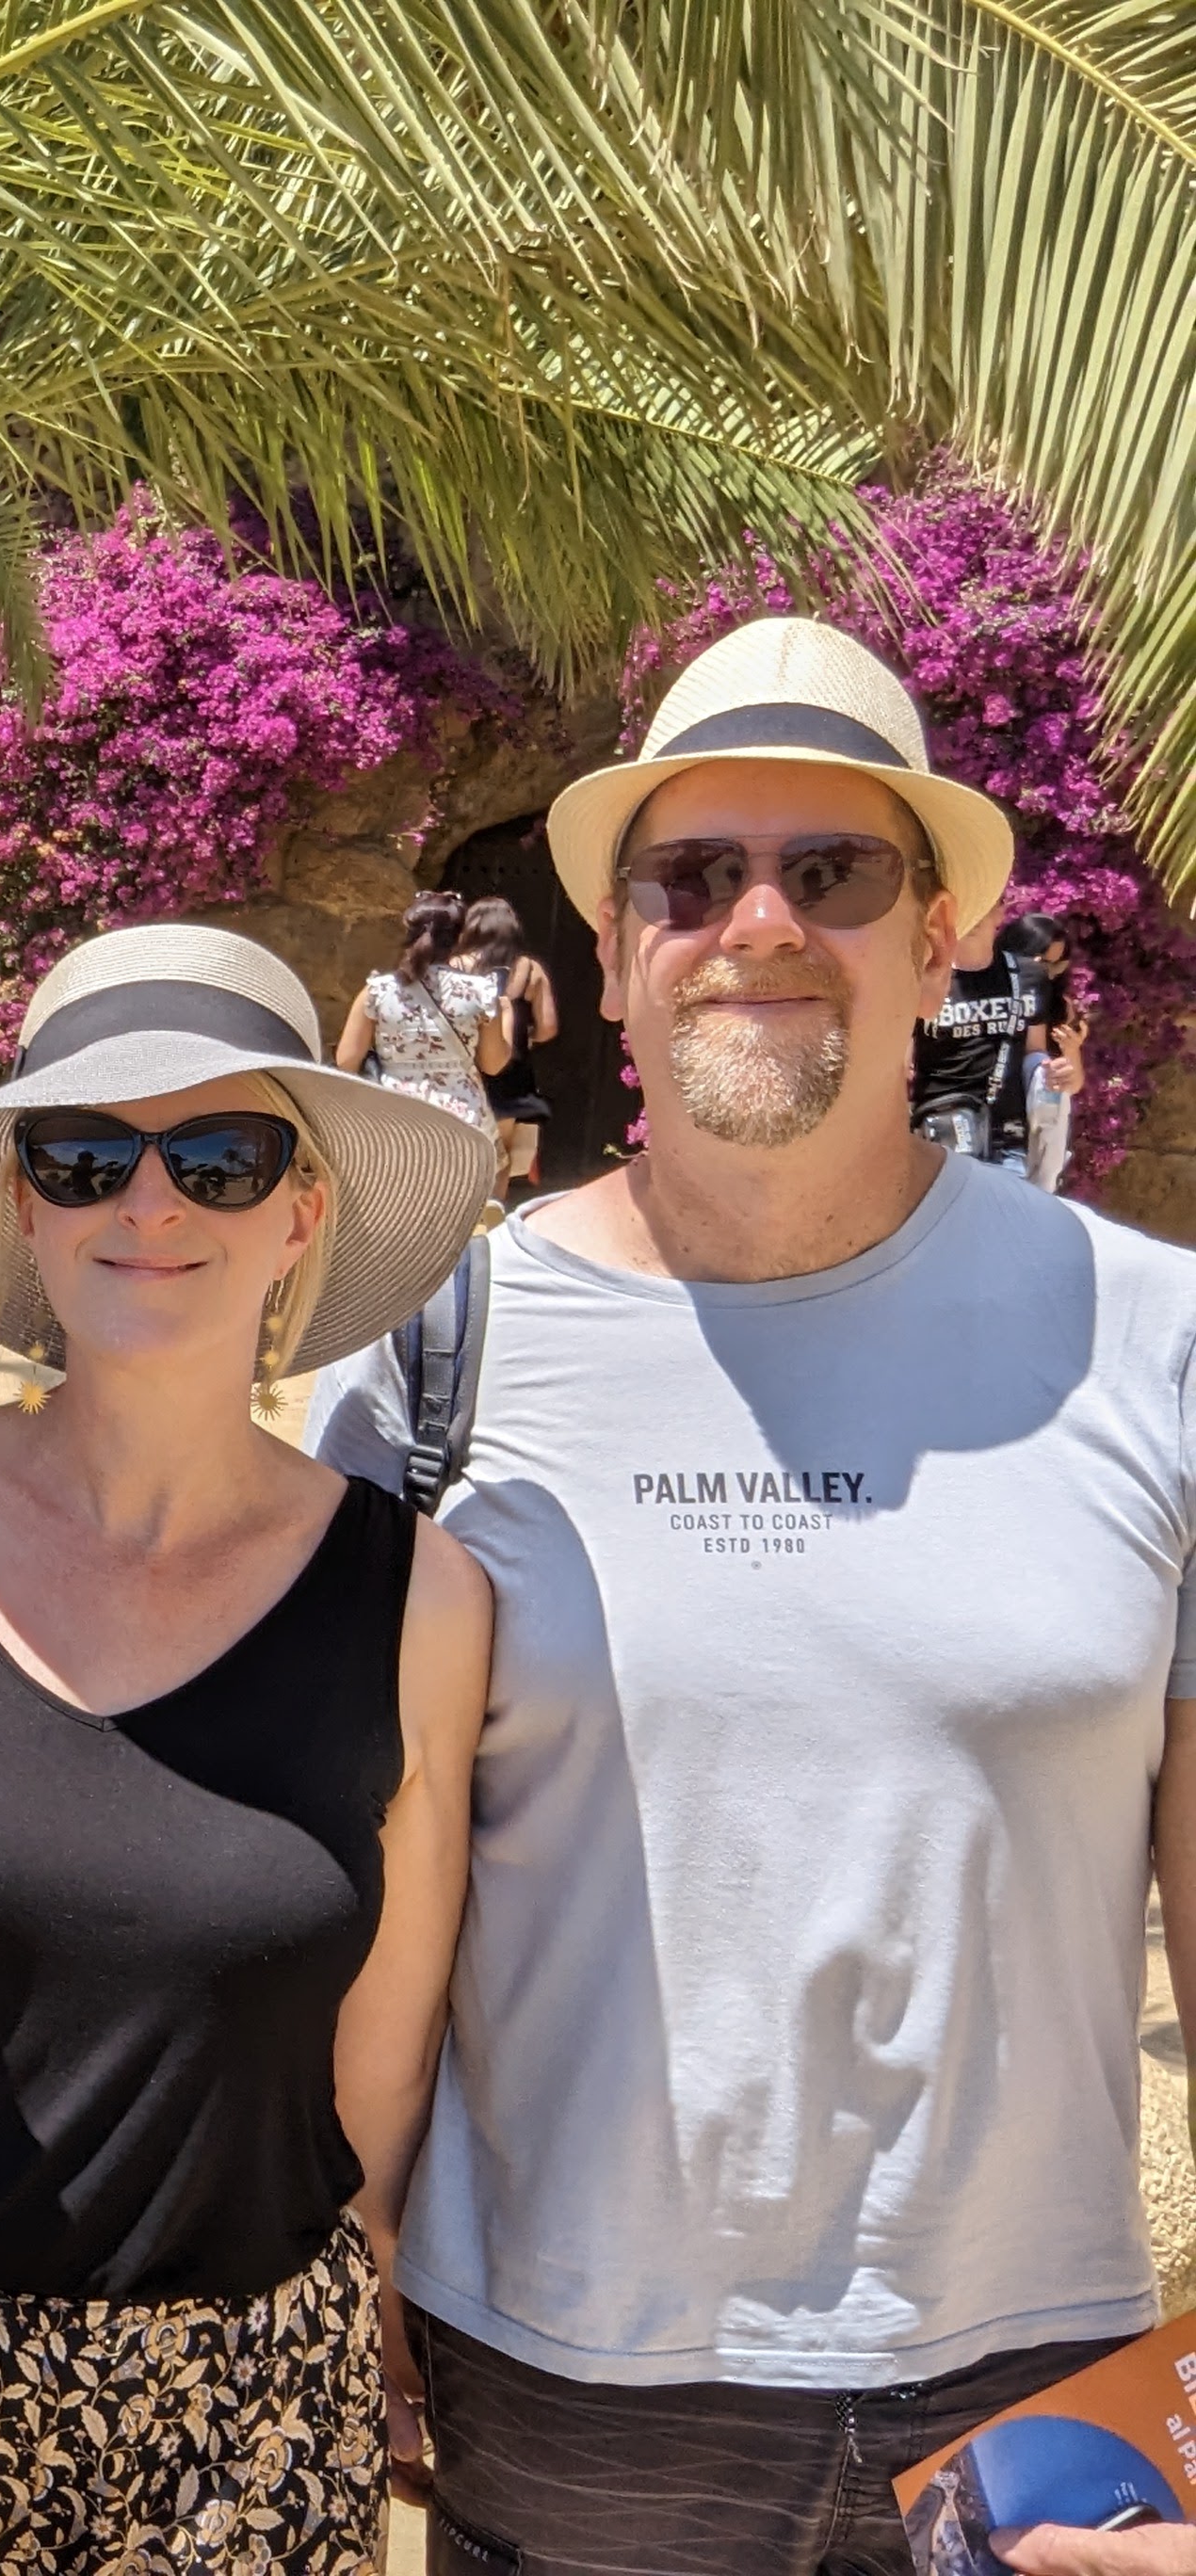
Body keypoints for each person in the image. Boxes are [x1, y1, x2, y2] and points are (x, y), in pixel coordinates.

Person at [306, 615, 1196, 2576]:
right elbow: (343, 1866)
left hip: (1035, 2391)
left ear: (941, 936)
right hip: (565, 2387)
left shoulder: (1152, 1345)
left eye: (834, 871)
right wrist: (340, 2236)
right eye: (692, 876)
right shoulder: (433, 1357)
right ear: (614, 946)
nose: (758, 923)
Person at [0, 922, 499, 2574]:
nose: (149, 1205)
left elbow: (379, 2066)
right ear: (24, 1205)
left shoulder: (417, 1600)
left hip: (248, 2430)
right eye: (84, 1156)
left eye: (221, 1157)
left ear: (300, 1211)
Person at [336, 888, 511, 1133]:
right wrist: (507, 1017)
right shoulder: (481, 993)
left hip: (393, 1120)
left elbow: (346, 1061)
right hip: (462, 1123)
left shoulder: (377, 991)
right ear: (460, 939)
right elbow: (493, 1065)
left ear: (410, 934)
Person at [911, 890, 1055, 1167]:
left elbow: (1035, 1054)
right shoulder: (924, 981)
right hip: (942, 1136)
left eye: (984, 905)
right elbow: (900, 1066)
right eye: (967, 907)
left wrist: (1059, 1074)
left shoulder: (1029, 977)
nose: (975, 916)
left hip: (1008, 1141)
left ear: (1000, 912)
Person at [451, 895, 559, 1200]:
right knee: (500, 1154)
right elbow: (548, 1027)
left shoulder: (455, 966)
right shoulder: (530, 970)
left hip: (464, 1066)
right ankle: (491, 1213)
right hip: (511, 1070)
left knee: (458, 1147)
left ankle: (456, 1211)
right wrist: (526, 1037)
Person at [1006, 910, 1090, 1193]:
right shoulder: (988, 991)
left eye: (1057, 966)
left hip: (1036, 1116)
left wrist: (1071, 1051)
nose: (1047, 974)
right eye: (1041, 963)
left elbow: (1071, 1084)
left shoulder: (1060, 1008)